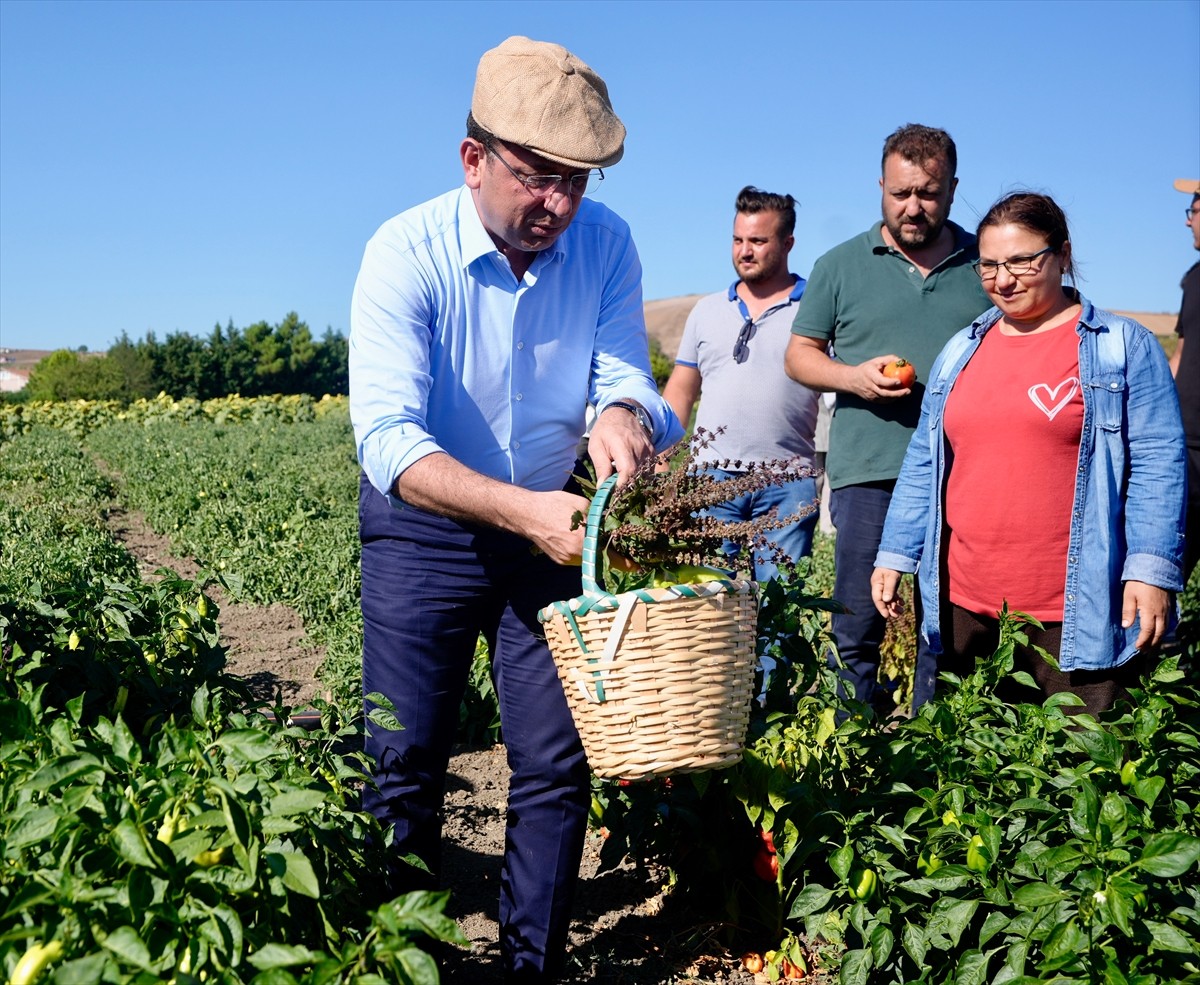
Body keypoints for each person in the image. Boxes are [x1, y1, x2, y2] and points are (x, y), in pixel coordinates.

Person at [348, 36, 683, 982]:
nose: (559, 206)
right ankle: (397, 957)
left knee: (552, 763)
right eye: (538, 179)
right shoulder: (403, 254)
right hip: (428, 523)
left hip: (553, 527)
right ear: (473, 160)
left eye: (576, 183)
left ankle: (530, 963)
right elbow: (388, 439)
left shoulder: (604, 242)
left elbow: (622, 369)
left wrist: (620, 410)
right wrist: (518, 509)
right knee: (406, 754)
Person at [871, 191, 1187, 718]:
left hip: (1075, 610)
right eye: (989, 265)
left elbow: (1159, 464)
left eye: (1022, 261)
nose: (1004, 278)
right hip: (967, 604)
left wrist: (1151, 572)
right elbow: (926, 459)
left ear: (1062, 254)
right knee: (973, 773)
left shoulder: (1119, 345)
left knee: (1083, 771)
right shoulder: (962, 348)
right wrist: (895, 553)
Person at [784, 124, 991, 712]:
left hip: (963, 474)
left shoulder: (985, 265)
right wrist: (853, 378)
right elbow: (799, 356)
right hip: (869, 469)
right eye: (900, 193)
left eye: (928, 193)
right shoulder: (839, 265)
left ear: (952, 188)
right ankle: (854, 750)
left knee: (949, 625)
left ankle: (934, 751)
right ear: (880, 185)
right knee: (855, 621)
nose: (913, 207)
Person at [661, 186, 820, 583]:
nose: (744, 251)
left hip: (787, 483)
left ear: (788, 243)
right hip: (710, 482)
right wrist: (661, 459)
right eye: (738, 240)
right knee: (709, 611)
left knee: (779, 612)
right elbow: (681, 389)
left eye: (758, 241)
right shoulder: (706, 311)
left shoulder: (815, 307)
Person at [1170, 178, 1199, 584]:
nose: (1189, 221)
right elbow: (1180, 352)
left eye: (1194, 211)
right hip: (1186, 448)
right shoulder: (1193, 278)